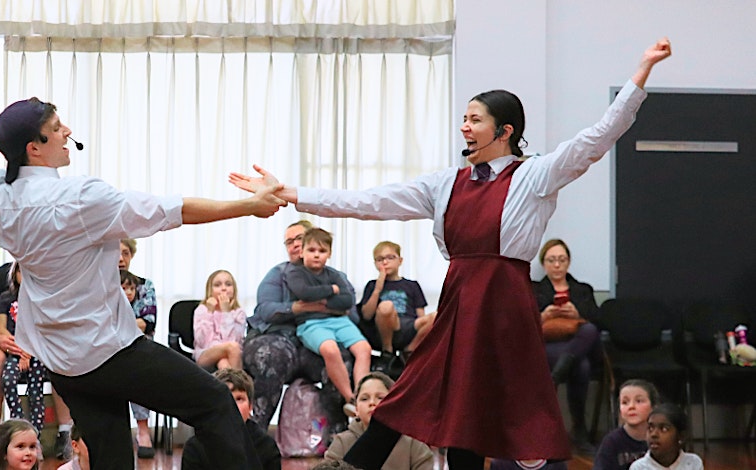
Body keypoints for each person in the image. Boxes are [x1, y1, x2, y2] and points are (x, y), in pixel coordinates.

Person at [231, 39, 673, 469]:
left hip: (504, 306)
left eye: (474, 119)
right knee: (422, 398)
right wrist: (288, 193)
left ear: (505, 131)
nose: (464, 126)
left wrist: (641, 73)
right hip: (460, 301)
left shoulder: (534, 175)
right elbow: (366, 201)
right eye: (464, 118)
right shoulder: (444, 184)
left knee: (475, 411)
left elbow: (597, 139)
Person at [0, 57, 283, 470]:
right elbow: (174, 210)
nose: (66, 132)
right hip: (110, 350)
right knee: (215, 404)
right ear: (35, 148)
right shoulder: (81, 201)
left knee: (112, 456)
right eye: (56, 129)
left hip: (64, 362)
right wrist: (250, 205)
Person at [243, 220, 357, 436]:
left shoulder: (335, 277)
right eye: (289, 241)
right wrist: (296, 308)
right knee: (273, 356)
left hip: (313, 339)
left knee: (339, 356)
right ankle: (255, 437)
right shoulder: (277, 274)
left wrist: (319, 308)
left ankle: (338, 438)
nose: (295, 244)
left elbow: (351, 309)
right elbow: (266, 310)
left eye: (300, 239)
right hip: (274, 336)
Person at [0, 262, 73, 460]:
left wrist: (33, 346)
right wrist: (0, 340)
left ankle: (65, 430)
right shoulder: (0, 276)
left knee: (63, 353)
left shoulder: (51, 269)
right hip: (4, 338)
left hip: (40, 341)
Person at [284, 228, 370, 415]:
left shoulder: (334, 274)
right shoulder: (295, 273)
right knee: (330, 349)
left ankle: (362, 394)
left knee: (364, 349)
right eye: (312, 250)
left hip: (340, 321)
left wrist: (320, 300)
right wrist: (332, 290)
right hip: (311, 323)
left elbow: (347, 301)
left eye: (321, 251)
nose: (316, 255)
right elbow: (304, 293)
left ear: (329, 254)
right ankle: (351, 399)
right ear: (302, 251)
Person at [532, 239, 602, 453]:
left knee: (588, 332)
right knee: (581, 366)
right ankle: (579, 432)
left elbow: (598, 321)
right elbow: (522, 325)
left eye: (562, 260)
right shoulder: (533, 290)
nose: (557, 265)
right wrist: (543, 316)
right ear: (544, 263)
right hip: (548, 346)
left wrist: (577, 314)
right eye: (552, 260)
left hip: (576, 344)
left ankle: (555, 380)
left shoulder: (582, 290)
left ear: (568, 262)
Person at [325, 372, 433, 470]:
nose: (372, 403)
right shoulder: (342, 442)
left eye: (380, 398)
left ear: (395, 404)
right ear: (356, 409)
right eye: (364, 399)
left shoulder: (414, 444)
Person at [182, 368, 281, 470]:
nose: (232, 406)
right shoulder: (195, 447)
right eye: (225, 398)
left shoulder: (266, 446)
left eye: (239, 399)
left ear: (251, 405)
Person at [357, 241, 432, 370]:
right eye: (380, 259)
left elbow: (421, 315)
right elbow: (367, 315)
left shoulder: (412, 285)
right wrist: (377, 289)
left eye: (390, 257)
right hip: (383, 328)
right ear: (375, 263)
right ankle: (387, 351)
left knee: (436, 316)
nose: (385, 262)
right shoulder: (372, 285)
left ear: (400, 260)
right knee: (386, 306)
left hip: (408, 326)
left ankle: (409, 351)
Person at [0, 263, 47, 433]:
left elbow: (41, 329)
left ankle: (36, 432)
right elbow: (1, 328)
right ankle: (18, 422)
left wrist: (29, 354)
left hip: (36, 353)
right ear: (14, 273)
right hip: (15, 351)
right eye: (20, 271)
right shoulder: (5, 297)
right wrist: (19, 351)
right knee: (8, 380)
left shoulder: (40, 298)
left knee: (35, 388)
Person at [117, 239, 157, 458]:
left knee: (137, 367)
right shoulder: (97, 284)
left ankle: (142, 429)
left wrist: (120, 323)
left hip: (136, 345)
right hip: (106, 348)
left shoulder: (143, 285)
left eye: (125, 253)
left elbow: (148, 322)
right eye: (115, 253)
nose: (121, 258)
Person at [594, 380, 660, 470]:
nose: (631, 406)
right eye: (625, 402)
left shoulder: (663, 439)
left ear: (654, 407)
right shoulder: (612, 442)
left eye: (639, 401)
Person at [193, 270, 247, 370]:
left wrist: (226, 312)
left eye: (228, 284)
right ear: (210, 290)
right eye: (217, 285)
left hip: (230, 355)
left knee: (224, 364)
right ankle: (240, 384)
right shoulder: (202, 310)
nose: (223, 288)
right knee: (233, 347)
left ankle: (234, 385)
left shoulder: (239, 313)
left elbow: (233, 340)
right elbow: (202, 342)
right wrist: (209, 313)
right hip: (205, 354)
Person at [628, 404, 703, 470]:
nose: (654, 434)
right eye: (650, 428)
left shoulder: (692, 462)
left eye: (664, 429)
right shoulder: (638, 467)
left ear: (681, 436)